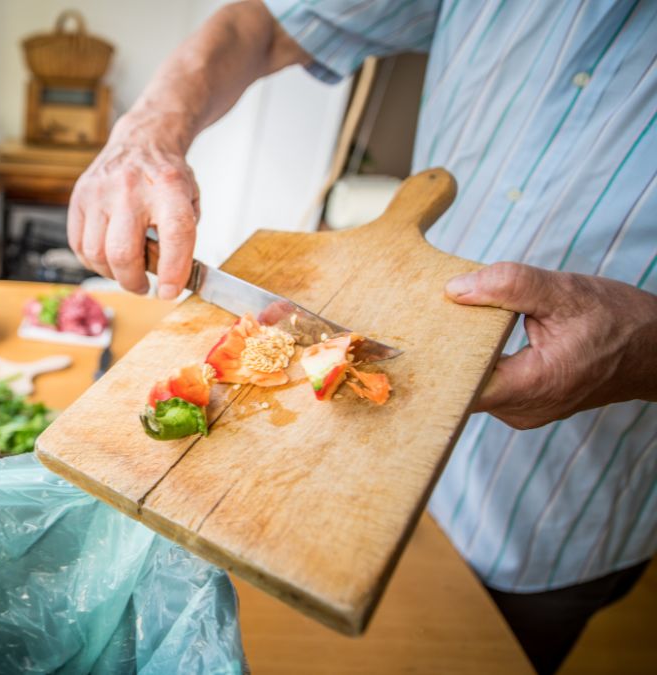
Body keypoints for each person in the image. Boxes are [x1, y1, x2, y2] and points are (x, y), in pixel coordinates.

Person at [67, 1, 657, 672]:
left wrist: (644, 347)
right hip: (331, 488)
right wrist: (144, 128)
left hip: (545, 509)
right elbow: (261, 22)